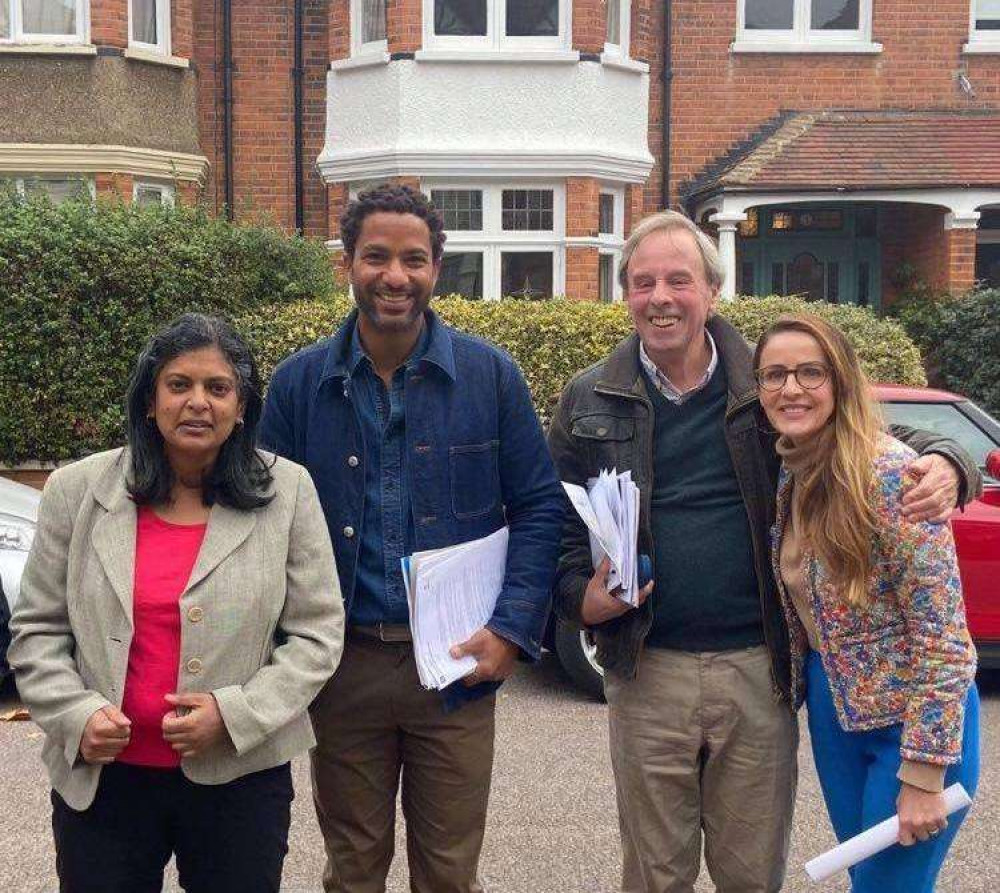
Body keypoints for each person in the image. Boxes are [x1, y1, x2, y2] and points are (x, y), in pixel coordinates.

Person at [546, 209, 982, 893]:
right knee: (653, 875)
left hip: (758, 671)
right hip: (647, 668)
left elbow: (870, 442)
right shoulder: (588, 396)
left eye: (678, 279)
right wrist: (582, 599)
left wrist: (956, 462)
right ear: (625, 293)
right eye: (642, 281)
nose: (660, 296)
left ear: (712, 292)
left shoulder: (764, 385)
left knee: (753, 875)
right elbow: (559, 532)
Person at [259, 184, 564, 893]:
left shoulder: (491, 376)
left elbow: (540, 507)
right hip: (344, 667)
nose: (395, 275)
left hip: (457, 667)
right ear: (348, 262)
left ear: (436, 267)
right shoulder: (298, 385)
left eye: (413, 259)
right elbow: (264, 521)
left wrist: (511, 629)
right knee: (353, 870)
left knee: (450, 874)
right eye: (376, 256)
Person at [9, 313, 345, 893]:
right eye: (179, 385)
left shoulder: (287, 491)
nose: (198, 403)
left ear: (242, 408)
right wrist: (73, 715)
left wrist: (235, 715)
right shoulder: (76, 490)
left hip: (239, 781)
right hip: (105, 781)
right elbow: (37, 629)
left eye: (218, 388)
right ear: (149, 400)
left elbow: (317, 634)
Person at [755, 314, 979, 893]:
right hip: (836, 714)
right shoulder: (794, 468)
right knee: (870, 880)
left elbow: (944, 635)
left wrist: (927, 769)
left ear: (841, 380)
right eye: (774, 375)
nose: (791, 389)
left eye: (811, 372)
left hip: (912, 724)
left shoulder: (890, 476)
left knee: (887, 889)